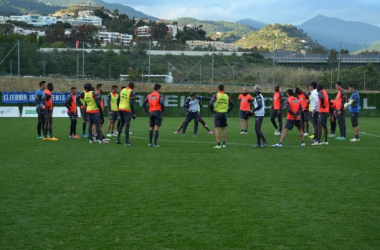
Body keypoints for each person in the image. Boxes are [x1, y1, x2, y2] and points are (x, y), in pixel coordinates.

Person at [210, 84, 234, 149]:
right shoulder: (227, 96)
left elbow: (211, 104)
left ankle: (218, 144)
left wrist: (212, 110)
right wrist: (228, 111)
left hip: (217, 113)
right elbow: (232, 105)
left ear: (218, 88)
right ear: (223, 89)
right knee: (223, 128)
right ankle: (224, 144)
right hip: (224, 113)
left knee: (216, 128)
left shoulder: (216, 95)